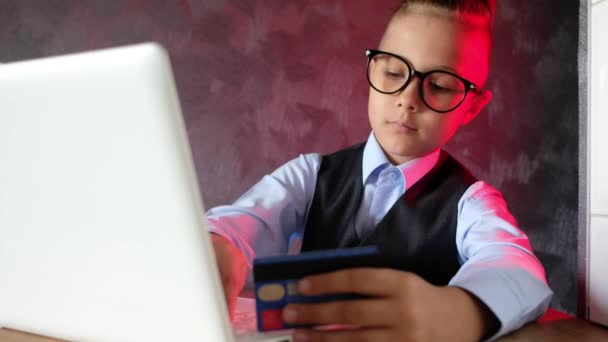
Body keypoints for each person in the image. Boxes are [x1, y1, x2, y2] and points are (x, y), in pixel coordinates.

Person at [208, 0, 553, 341]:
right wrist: (220, 244)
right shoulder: (310, 174)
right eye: (393, 72)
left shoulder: (472, 203)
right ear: (373, 71)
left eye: (441, 85)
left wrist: (460, 312)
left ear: (471, 107)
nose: (408, 99)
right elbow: (240, 221)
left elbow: (516, 267)